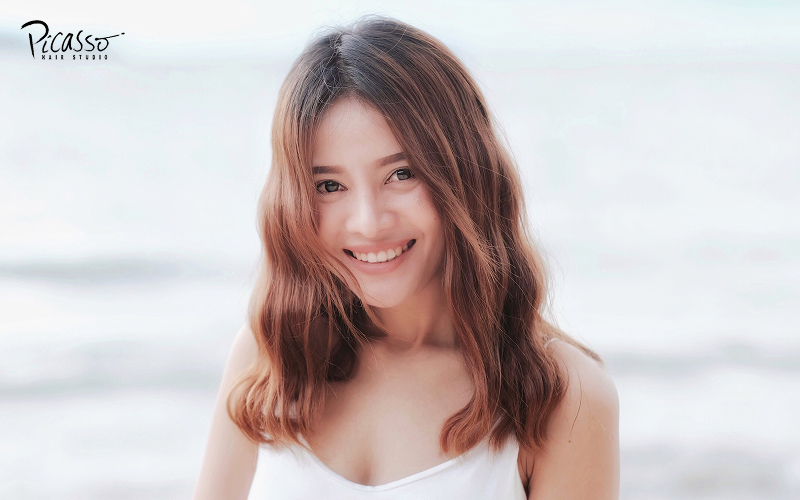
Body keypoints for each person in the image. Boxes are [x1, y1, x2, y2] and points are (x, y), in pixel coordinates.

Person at [194, 15, 619, 500]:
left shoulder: (562, 396)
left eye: (401, 174)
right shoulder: (271, 353)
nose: (368, 223)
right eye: (329, 186)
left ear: (466, 169)